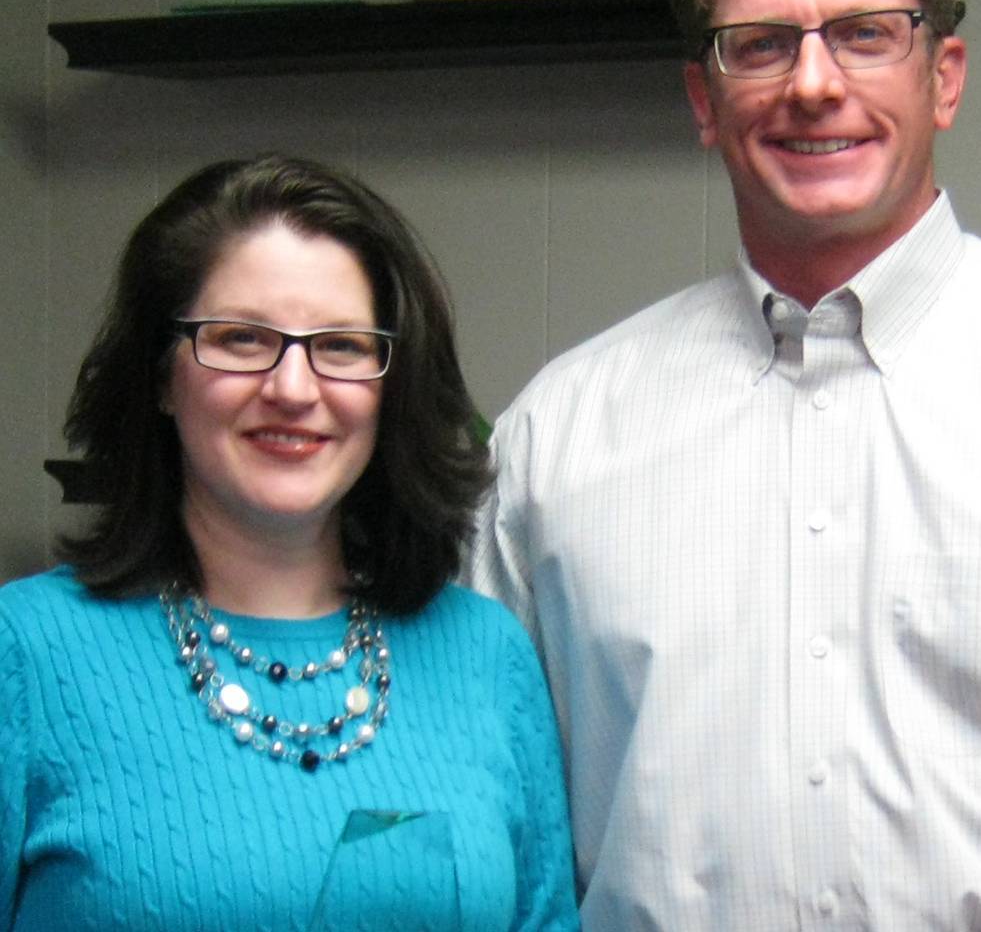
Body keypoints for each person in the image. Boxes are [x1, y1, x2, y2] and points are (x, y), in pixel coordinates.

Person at [467, 0, 981, 927]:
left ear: (944, 75)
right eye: (760, 44)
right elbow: (490, 830)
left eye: (864, 32)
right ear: (705, 99)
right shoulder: (556, 443)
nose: (812, 83)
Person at [0, 155, 579, 932]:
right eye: (241, 338)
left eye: (341, 345)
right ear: (160, 378)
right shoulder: (26, 658)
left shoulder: (487, 656)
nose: (294, 388)